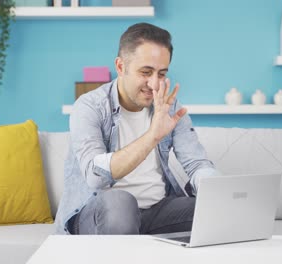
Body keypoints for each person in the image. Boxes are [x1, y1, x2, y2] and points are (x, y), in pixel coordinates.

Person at [55, 22, 220, 235]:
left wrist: (219, 190)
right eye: (146, 72)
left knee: (212, 211)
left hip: (156, 212)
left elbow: (196, 163)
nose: (154, 84)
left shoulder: (169, 107)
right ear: (121, 66)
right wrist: (153, 135)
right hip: (101, 214)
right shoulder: (89, 107)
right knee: (121, 202)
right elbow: (95, 176)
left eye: (161, 74)